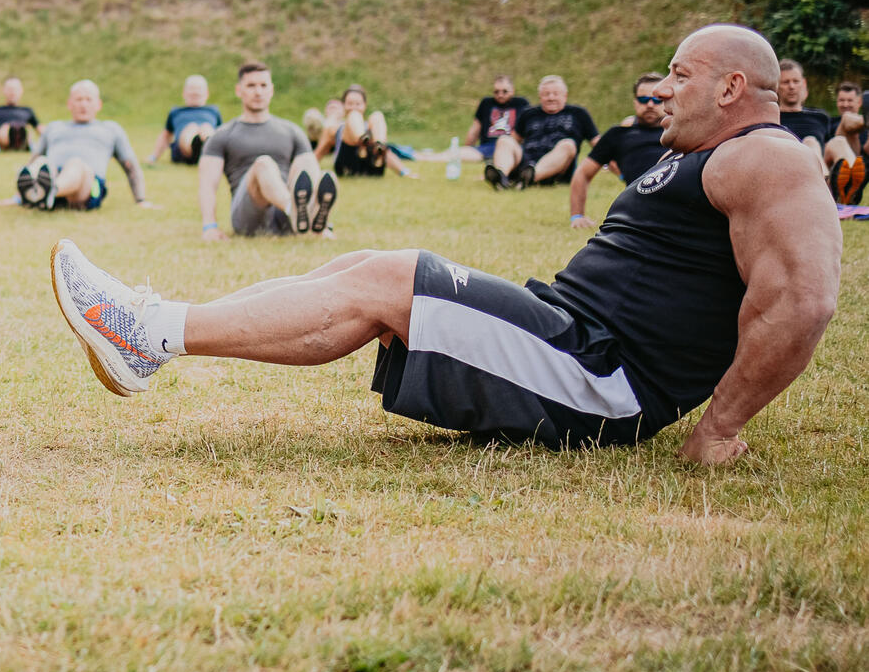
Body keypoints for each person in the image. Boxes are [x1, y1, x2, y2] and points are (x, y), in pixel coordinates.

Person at [49, 24, 840, 466]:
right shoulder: (711, 155)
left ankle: (145, 329)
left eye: (680, 73)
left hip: (602, 373)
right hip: (570, 328)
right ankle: (153, 335)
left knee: (390, 277)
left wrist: (720, 427)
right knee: (360, 266)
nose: (662, 88)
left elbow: (803, 301)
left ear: (733, 88)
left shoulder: (768, 155)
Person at [196, 62, 337, 239]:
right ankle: (294, 210)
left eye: (263, 85)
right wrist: (209, 226)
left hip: (285, 220)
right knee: (264, 163)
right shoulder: (223, 134)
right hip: (249, 219)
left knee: (308, 161)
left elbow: (310, 174)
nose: (258, 92)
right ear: (239, 90)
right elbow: (208, 184)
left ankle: (314, 220)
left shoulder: (291, 131)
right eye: (251, 86)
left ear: (272, 90)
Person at [13, 80, 149, 212]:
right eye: (78, 99)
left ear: (98, 104)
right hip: (53, 175)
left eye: (89, 99)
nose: (83, 104)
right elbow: (32, 163)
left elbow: (131, 166)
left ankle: (49, 191)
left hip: (88, 185)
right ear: (69, 104)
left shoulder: (111, 129)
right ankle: (38, 193)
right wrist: (16, 198)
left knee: (75, 163)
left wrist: (140, 200)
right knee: (41, 161)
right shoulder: (54, 127)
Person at [567, 74, 672, 228]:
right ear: (635, 101)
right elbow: (582, 173)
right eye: (643, 99)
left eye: (657, 99)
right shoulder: (618, 135)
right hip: (641, 209)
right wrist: (577, 216)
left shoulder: (682, 133)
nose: (650, 104)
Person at [486, 75, 597, 189]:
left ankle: (529, 178)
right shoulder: (528, 113)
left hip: (558, 167)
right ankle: (501, 177)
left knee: (568, 145)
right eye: (546, 94)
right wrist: (500, 160)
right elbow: (514, 141)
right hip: (526, 162)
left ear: (565, 95)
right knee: (505, 140)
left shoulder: (578, 114)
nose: (551, 98)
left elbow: (598, 143)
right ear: (540, 96)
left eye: (556, 93)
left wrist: (611, 164)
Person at [316, 84, 394, 177]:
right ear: (343, 105)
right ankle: (362, 140)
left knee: (377, 116)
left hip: (372, 168)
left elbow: (388, 154)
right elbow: (318, 153)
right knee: (354, 115)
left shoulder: (373, 126)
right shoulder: (334, 128)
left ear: (365, 105)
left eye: (358, 104)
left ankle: (376, 146)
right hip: (347, 167)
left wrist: (403, 172)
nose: (354, 107)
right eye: (350, 104)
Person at [146, 76, 223, 167]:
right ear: (184, 93)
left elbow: (220, 133)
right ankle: (196, 146)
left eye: (199, 89)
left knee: (206, 128)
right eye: (191, 89)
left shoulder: (213, 110)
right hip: (183, 152)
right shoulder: (176, 111)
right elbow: (166, 136)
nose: (195, 92)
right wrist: (154, 156)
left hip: (207, 145)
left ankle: (205, 147)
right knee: (192, 127)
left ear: (206, 93)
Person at [460, 75, 528, 162]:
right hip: (487, 148)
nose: (500, 95)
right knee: (456, 154)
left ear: (512, 91)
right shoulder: (486, 103)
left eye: (504, 91)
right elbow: (475, 129)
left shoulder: (521, 104)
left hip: (510, 147)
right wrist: (467, 148)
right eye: (496, 92)